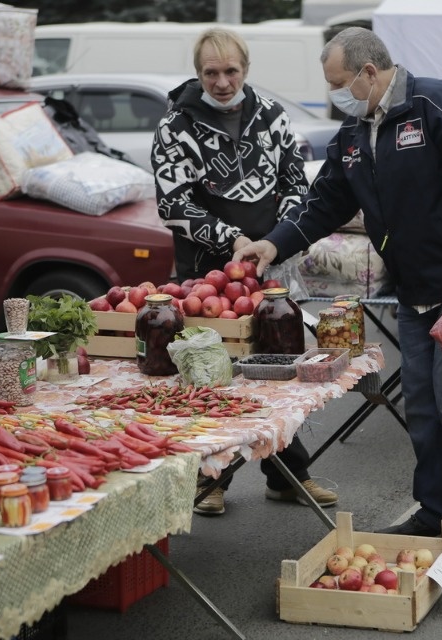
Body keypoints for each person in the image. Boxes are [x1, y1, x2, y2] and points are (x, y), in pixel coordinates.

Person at [233, 27, 442, 556]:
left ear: (370, 72)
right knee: (424, 410)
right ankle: (435, 513)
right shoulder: (354, 131)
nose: (336, 95)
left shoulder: (434, 102)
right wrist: (273, 245)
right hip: (411, 290)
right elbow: (325, 202)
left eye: (340, 83)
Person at [151, 27, 337, 516]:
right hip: (205, 274)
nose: (221, 81)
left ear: (245, 69)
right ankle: (209, 480)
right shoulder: (176, 125)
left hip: (272, 264)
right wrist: (229, 240)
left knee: (281, 371)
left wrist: (272, 241)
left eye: (230, 70)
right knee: (209, 377)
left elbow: (299, 184)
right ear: (199, 74)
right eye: (211, 72)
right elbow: (172, 204)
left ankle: (288, 473)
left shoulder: (272, 116)